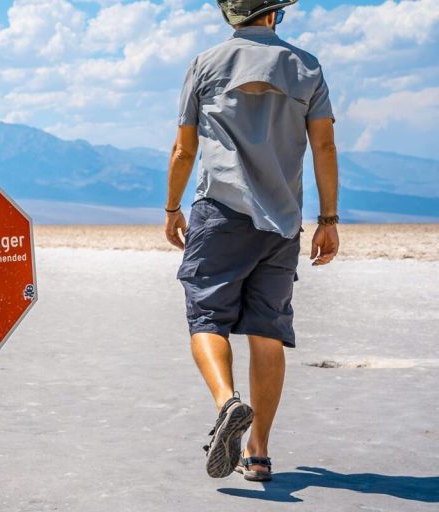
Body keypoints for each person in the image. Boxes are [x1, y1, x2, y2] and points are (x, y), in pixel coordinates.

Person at [164, 0, 339, 482]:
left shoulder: (206, 63)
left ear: (231, 17)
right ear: (272, 15)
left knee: (206, 317)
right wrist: (328, 218)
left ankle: (227, 403)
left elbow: (184, 148)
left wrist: (172, 208)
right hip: (282, 223)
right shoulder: (306, 66)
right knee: (267, 330)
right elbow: (324, 145)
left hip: (220, 212)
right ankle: (257, 454)